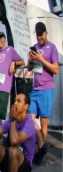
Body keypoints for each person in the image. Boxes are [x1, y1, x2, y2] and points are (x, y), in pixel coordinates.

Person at [27, 22, 59, 164]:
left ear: (46, 33)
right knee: (29, 117)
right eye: (38, 34)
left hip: (46, 89)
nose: (39, 37)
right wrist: (30, 61)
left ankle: (40, 154)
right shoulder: (36, 48)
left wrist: (41, 59)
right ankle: (42, 146)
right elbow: (29, 69)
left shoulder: (52, 47)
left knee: (44, 123)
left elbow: (56, 69)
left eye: (41, 34)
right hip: (35, 89)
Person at [0, 32, 24, 130]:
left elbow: (22, 61)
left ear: (4, 39)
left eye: (0, 38)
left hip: (3, 89)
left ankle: (0, 141)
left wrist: (14, 63)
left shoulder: (10, 50)